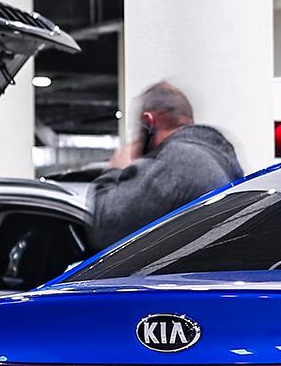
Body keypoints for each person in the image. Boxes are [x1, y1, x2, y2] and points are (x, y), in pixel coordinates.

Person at [88, 81, 242, 251]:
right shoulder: (220, 158)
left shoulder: (175, 162)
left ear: (148, 121)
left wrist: (115, 170)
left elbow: (106, 229)